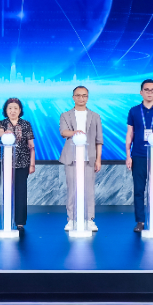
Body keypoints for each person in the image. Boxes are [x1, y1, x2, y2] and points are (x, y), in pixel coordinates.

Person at [125, 78, 153, 232]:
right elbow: (130, 134)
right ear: (141, 92)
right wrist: (128, 155)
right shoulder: (134, 111)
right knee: (138, 189)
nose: (150, 92)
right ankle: (140, 221)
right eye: (146, 90)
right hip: (138, 155)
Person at [59, 85, 103, 232]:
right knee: (72, 189)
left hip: (89, 158)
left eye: (84, 95)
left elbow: (99, 140)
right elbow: (63, 132)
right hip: (71, 158)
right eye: (78, 95)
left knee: (89, 190)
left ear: (87, 97)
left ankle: (89, 219)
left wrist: (98, 159)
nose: (81, 98)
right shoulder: (65, 115)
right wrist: (75, 132)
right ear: (73, 97)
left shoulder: (95, 116)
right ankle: (71, 219)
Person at [0, 97, 36, 228]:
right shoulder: (2, 123)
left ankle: (20, 221)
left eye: (15, 108)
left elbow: (31, 146)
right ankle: (7, 218)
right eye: (10, 108)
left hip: (23, 163)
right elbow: (0, 132)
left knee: (21, 192)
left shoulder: (26, 124)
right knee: (7, 190)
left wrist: (32, 164)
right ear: (6, 110)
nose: (12, 111)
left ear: (20, 110)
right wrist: (5, 133)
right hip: (6, 163)